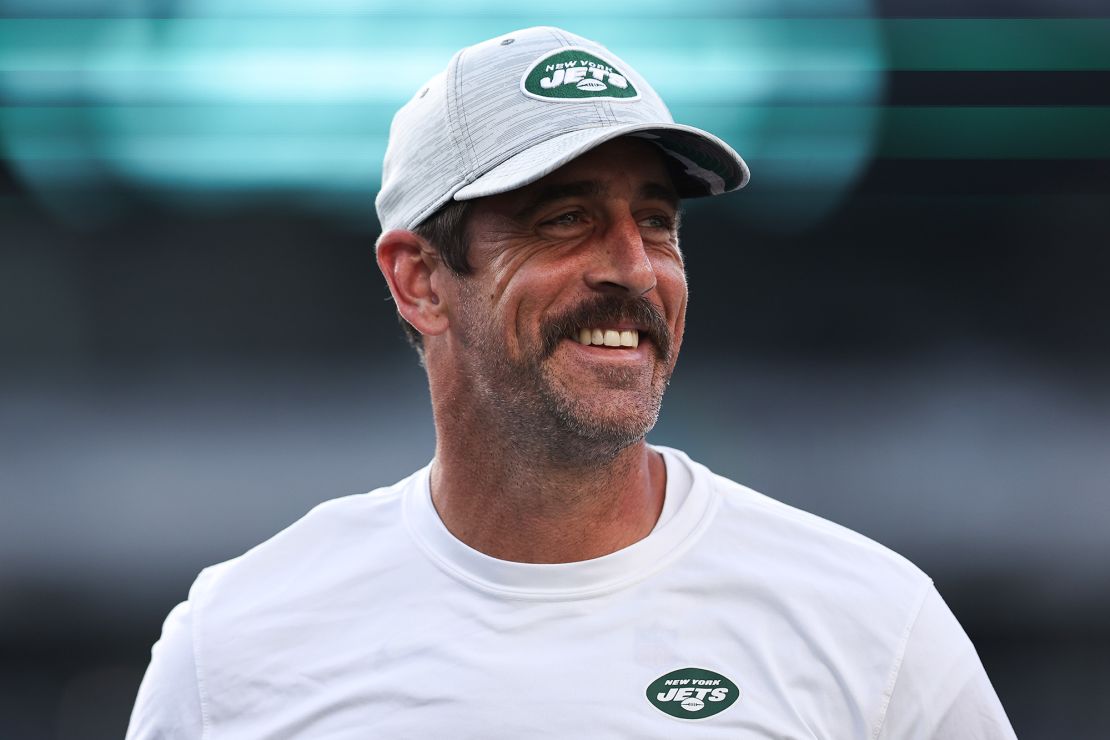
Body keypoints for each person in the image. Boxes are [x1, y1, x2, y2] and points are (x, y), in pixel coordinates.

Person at [127, 27, 1017, 738]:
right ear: (419, 280)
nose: (634, 268)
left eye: (658, 223)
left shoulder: (872, 627)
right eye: (565, 219)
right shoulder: (235, 648)